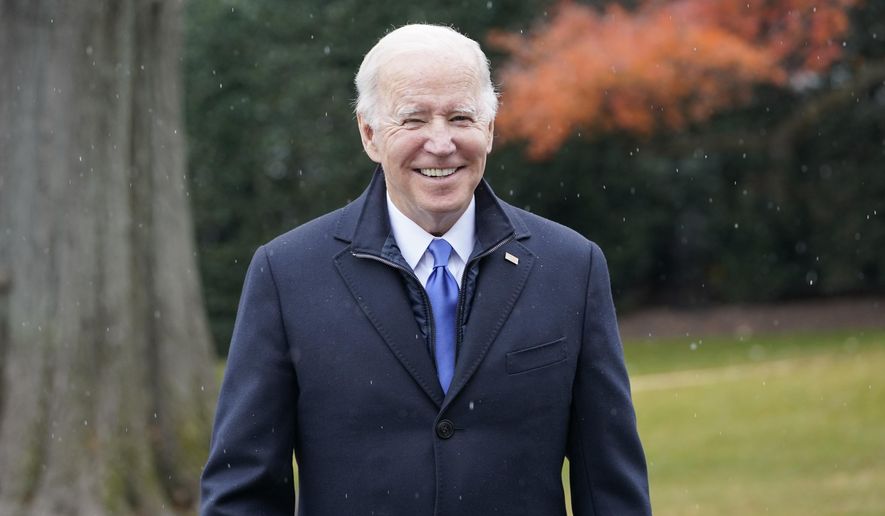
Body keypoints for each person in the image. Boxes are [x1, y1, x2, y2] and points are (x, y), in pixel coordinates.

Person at [200, 24, 651, 516]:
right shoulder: (287, 275)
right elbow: (242, 494)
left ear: (491, 129)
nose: (440, 143)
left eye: (460, 117)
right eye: (413, 120)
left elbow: (609, 489)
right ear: (369, 134)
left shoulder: (571, 267)